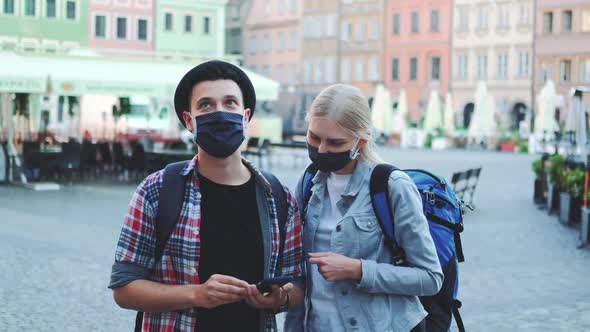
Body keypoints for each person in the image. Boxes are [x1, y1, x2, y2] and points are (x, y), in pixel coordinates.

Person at [109, 60, 304, 332]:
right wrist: (197, 294)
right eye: (206, 105)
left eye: (230, 103)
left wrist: (277, 298)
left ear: (246, 116)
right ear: (189, 120)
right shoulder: (156, 190)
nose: (220, 113)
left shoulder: (278, 197)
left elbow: (297, 286)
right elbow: (124, 288)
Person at [284, 84, 443, 332]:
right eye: (314, 137)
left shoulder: (392, 186)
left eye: (335, 142)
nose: (322, 149)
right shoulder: (307, 183)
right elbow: (298, 269)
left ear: (362, 140)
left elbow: (431, 278)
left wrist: (358, 270)